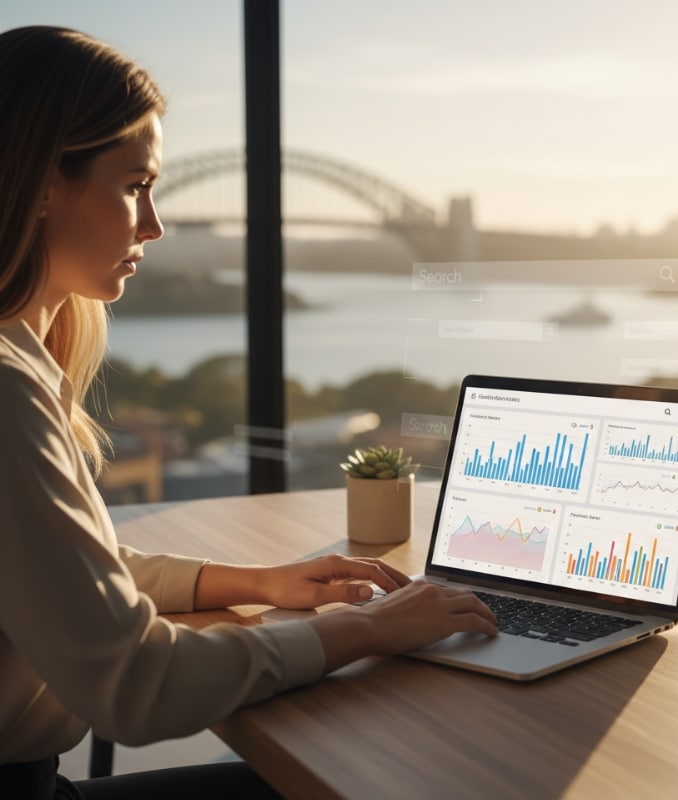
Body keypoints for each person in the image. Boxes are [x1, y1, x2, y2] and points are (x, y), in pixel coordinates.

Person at [0, 25, 497, 800]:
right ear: (37, 184)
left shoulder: (22, 360)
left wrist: (263, 581)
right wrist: (365, 629)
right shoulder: (5, 388)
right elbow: (136, 684)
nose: (156, 225)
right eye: (134, 186)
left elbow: (61, 578)